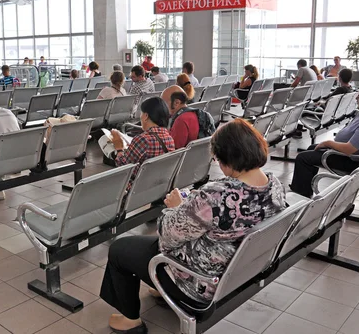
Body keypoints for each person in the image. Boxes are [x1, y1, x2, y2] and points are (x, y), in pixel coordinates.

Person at [99, 119, 286, 333]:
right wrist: (196, 203)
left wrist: (174, 208)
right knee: (142, 248)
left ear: (226, 158)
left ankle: (130, 320)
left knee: (120, 250)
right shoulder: (275, 186)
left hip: (200, 282)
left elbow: (167, 236)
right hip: (239, 271)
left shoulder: (216, 196)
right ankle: (162, 290)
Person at [290, 82, 359, 198]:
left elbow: (350, 149)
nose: (356, 98)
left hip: (349, 160)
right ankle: (303, 192)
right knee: (311, 149)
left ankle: (300, 195)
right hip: (352, 155)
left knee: (303, 158)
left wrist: (328, 143)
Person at [110, 97, 175, 184]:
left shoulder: (143, 139)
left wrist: (119, 148)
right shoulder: (169, 138)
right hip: (156, 186)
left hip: (134, 189)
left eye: (141, 113)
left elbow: (123, 167)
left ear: (146, 116)